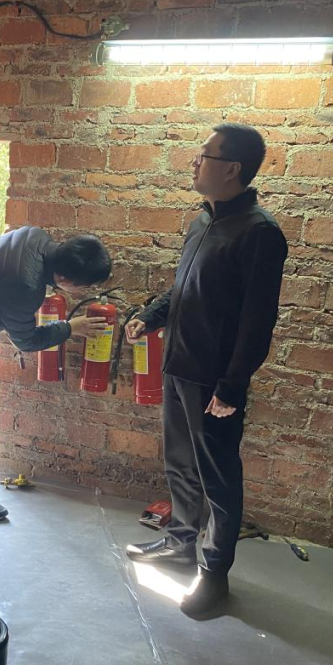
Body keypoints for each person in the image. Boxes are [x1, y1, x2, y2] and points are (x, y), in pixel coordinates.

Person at [124, 123, 287, 619]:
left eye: (204, 155)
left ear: (232, 168)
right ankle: (179, 543)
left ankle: (214, 573)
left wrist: (232, 386)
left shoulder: (259, 233)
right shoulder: (203, 221)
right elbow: (185, 289)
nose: (195, 163)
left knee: (218, 478)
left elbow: (257, 321)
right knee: (179, 462)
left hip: (214, 381)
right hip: (178, 365)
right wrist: (151, 316)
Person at [0, 227, 112, 521]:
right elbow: (26, 341)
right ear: (66, 280)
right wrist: (70, 327)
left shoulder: (37, 238)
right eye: (83, 287)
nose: (82, 293)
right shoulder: (26, 285)